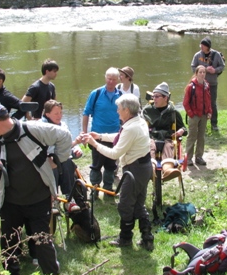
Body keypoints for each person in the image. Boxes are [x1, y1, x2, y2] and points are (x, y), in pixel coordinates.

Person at [0, 102, 72, 275]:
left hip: (39, 198)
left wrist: (57, 160)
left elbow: (64, 136)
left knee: (43, 241)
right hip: (10, 202)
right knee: (9, 242)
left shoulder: (32, 129)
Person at [82, 94, 154, 250]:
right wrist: (100, 136)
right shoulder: (139, 121)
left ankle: (126, 239)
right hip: (144, 167)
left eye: (119, 109)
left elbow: (115, 153)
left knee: (125, 205)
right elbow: (121, 137)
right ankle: (148, 238)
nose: (117, 111)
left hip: (135, 169)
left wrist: (95, 144)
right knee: (138, 204)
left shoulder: (131, 127)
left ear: (127, 110)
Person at [82, 68, 122, 195]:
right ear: (105, 78)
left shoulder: (121, 96)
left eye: (113, 79)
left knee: (111, 164)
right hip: (96, 136)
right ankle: (95, 188)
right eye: (109, 78)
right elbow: (86, 113)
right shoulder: (96, 93)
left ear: (117, 80)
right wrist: (84, 133)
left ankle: (108, 188)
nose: (110, 81)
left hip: (114, 136)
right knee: (96, 165)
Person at [41, 100, 84, 205]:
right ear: (47, 114)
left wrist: (75, 148)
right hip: (45, 158)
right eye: (56, 113)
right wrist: (73, 144)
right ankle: (53, 198)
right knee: (55, 164)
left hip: (61, 157)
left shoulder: (63, 125)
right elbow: (51, 149)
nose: (59, 116)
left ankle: (69, 196)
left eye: (60, 113)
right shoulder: (41, 127)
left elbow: (67, 142)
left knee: (68, 162)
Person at [143, 82, 187, 176]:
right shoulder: (147, 110)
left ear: (165, 98)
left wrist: (181, 131)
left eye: (157, 96)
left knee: (168, 146)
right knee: (150, 145)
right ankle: (151, 169)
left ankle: (167, 169)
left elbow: (184, 128)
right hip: (151, 137)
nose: (154, 98)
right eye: (153, 96)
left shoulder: (173, 112)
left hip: (168, 137)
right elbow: (139, 124)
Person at [190, 37, 225, 131]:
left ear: (208, 47)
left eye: (203, 45)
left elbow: (222, 66)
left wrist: (215, 70)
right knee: (200, 103)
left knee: (212, 103)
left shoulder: (216, 55)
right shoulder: (197, 55)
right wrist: (203, 70)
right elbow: (193, 67)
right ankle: (201, 124)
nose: (201, 47)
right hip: (199, 84)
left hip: (212, 83)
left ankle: (214, 124)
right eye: (200, 45)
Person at [183, 67, 212, 167]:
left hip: (204, 115)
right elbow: (185, 103)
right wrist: (191, 114)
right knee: (192, 136)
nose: (202, 74)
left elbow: (208, 100)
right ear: (196, 73)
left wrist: (209, 111)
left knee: (201, 137)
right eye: (200, 72)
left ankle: (199, 157)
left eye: (204, 72)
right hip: (194, 115)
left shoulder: (206, 85)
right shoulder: (191, 86)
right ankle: (188, 158)